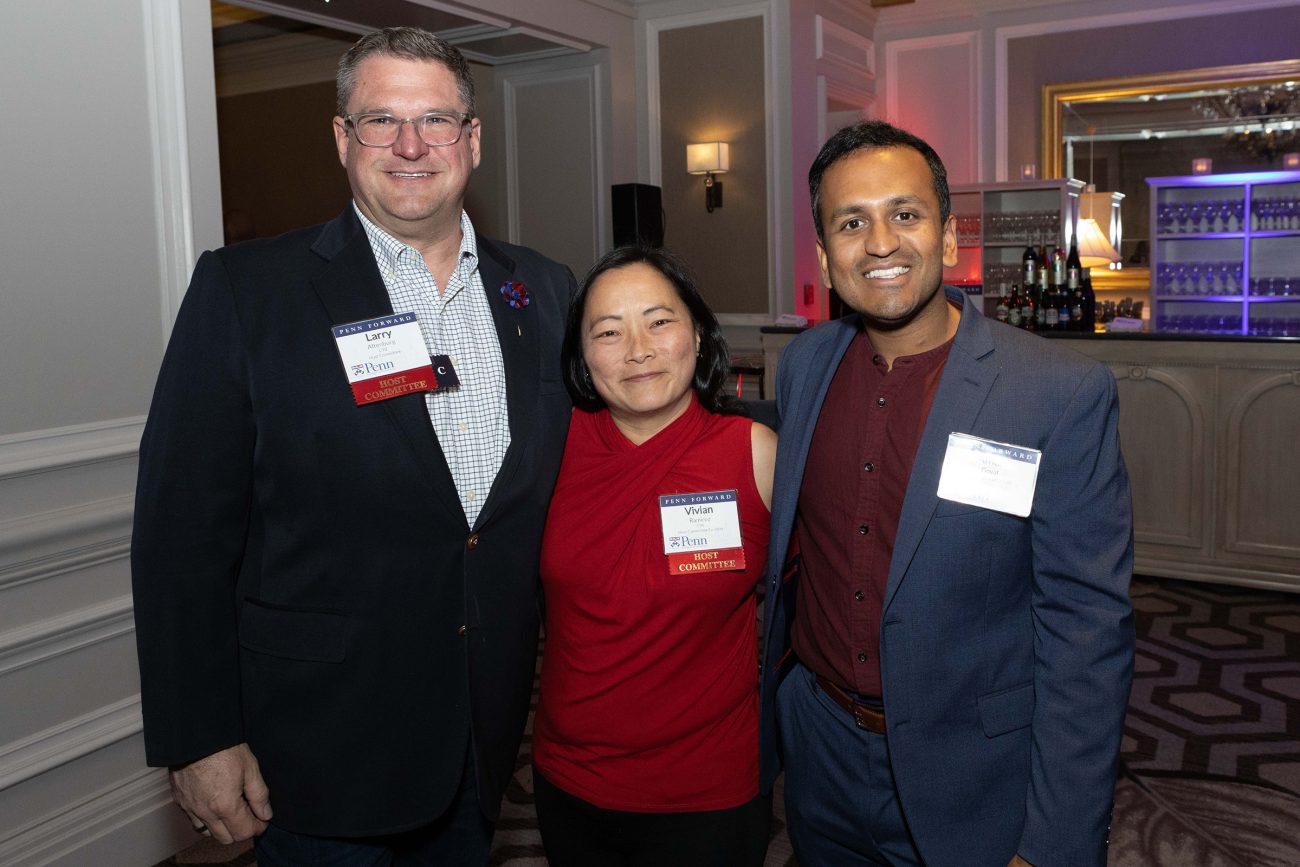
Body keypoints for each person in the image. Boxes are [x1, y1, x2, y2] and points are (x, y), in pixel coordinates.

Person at [130, 26, 575, 865]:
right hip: (321, 751)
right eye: (380, 120)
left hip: (481, 742)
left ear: (472, 140)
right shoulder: (246, 291)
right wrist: (198, 738)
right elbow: (180, 536)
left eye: (437, 120)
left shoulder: (542, 289)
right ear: (342, 138)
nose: (411, 145)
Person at [758, 120, 1135, 867]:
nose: (882, 243)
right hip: (820, 750)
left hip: (974, 772)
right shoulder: (803, 367)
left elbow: (1087, 632)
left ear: (950, 235)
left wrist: (1055, 840)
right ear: (827, 258)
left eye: (905, 214)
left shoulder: (1056, 392)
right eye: (851, 222)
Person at [531, 245, 777, 867]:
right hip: (571, 784)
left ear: (696, 331)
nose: (636, 348)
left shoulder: (755, 453)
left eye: (659, 321)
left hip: (708, 794)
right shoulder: (548, 451)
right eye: (608, 332)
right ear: (583, 357)